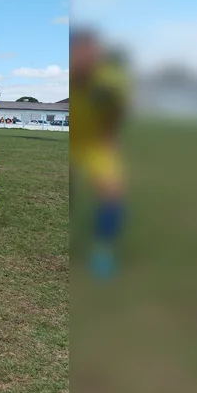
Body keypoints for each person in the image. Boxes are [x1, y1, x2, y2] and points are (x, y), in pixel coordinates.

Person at [69, 28, 126, 278]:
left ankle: (103, 250)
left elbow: (117, 112)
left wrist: (108, 139)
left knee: (111, 191)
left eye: (92, 51)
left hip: (95, 143)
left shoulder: (110, 82)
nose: (86, 57)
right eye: (80, 51)